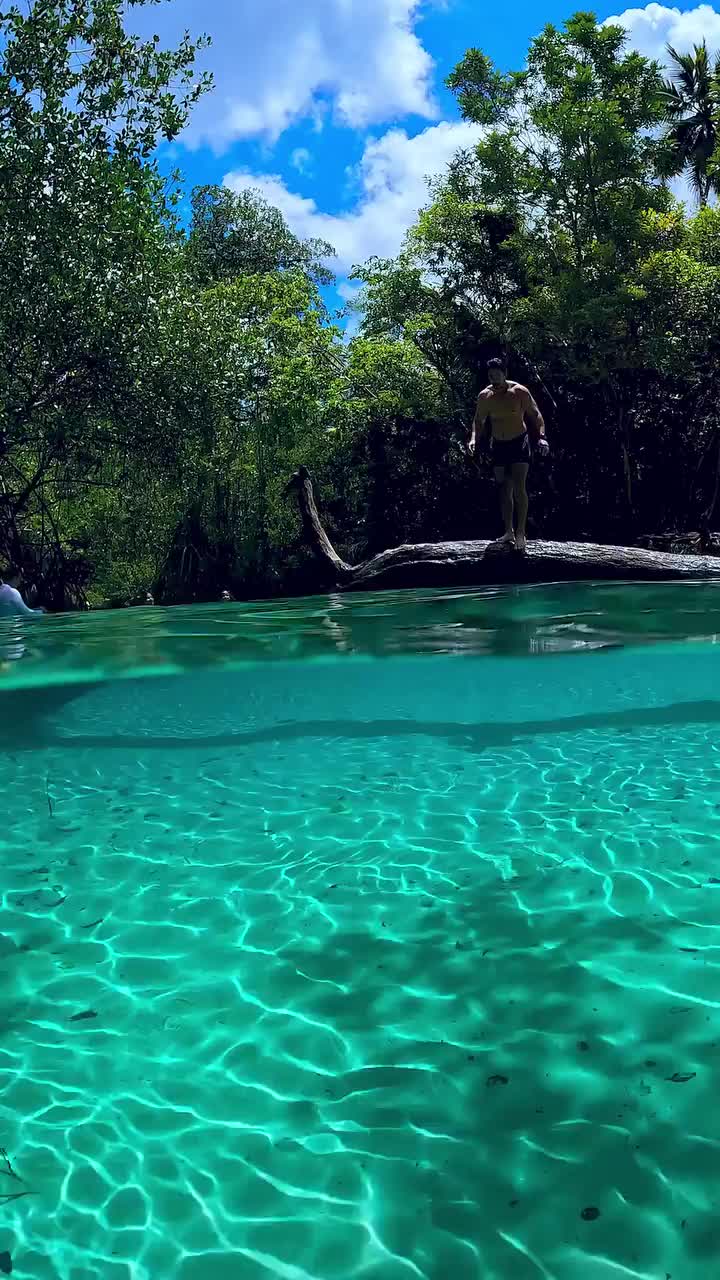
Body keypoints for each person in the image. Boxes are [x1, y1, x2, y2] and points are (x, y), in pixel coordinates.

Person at [468, 358, 549, 552]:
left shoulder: (519, 392)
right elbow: (478, 421)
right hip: (498, 445)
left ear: (505, 373)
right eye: (490, 376)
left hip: (518, 442)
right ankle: (508, 531)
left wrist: (542, 437)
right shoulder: (485, 396)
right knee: (504, 488)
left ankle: (521, 532)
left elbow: (535, 414)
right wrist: (472, 439)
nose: (494, 379)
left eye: (497, 375)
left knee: (519, 486)